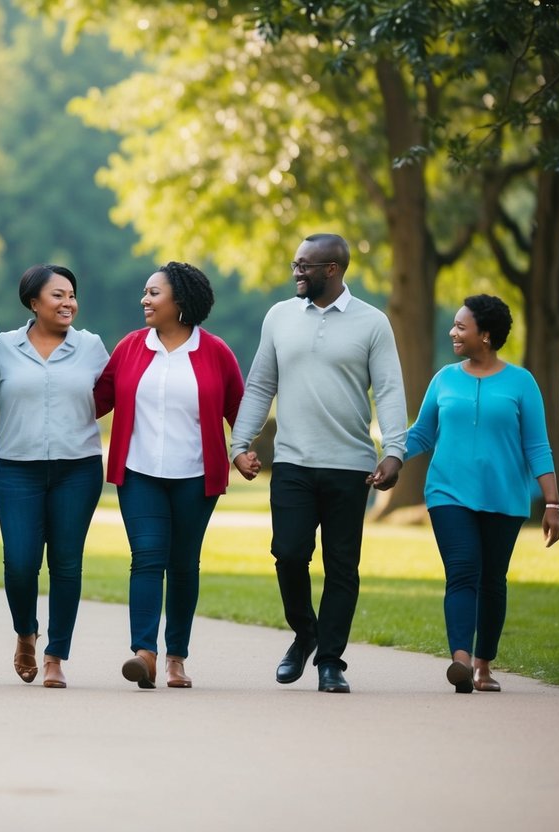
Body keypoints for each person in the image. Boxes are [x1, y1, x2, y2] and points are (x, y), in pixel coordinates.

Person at [230, 233, 406, 694]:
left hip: (350, 465)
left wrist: (394, 450)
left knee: (342, 566)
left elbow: (388, 390)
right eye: (294, 264)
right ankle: (305, 632)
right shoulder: (279, 317)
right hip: (292, 461)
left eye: (305, 266)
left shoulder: (373, 323)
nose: (296, 272)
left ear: (333, 269)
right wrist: (240, 442)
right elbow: (260, 383)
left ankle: (331, 660)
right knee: (288, 554)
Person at [93, 262, 244, 689]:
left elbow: (240, 408)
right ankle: (145, 653)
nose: (145, 299)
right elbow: (96, 400)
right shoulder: (130, 347)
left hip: (196, 477)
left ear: (180, 301)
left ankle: (176, 657)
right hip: (139, 472)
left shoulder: (216, 352)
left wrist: (243, 451)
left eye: (153, 293)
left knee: (182, 565)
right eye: (145, 292)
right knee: (146, 558)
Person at [405, 295, 559, 693]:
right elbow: (422, 432)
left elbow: (537, 447)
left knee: (493, 579)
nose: (453, 332)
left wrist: (553, 502)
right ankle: (460, 659)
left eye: (461, 326)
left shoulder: (521, 383)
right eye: (454, 325)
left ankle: (482, 665)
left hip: (504, 498)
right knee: (462, 571)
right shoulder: (444, 378)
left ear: (486, 335)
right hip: (448, 493)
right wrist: (389, 459)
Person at [0, 265, 109, 689]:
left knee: (67, 564)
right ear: (33, 303)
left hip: (78, 470)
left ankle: (55, 656)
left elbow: (114, 395)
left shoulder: (91, 346)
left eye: (71, 294)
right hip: (17, 469)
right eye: (57, 295)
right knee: (19, 564)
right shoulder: (3, 347)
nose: (68, 302)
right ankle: (25, 633)